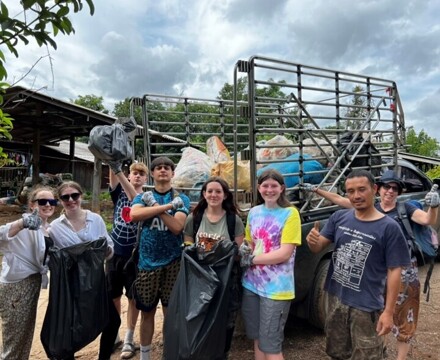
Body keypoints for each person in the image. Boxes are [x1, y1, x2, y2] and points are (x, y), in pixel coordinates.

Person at [304, 170, 439, 360]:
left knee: (371, 350)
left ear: (373, 189)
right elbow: (318, 246)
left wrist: (388, 312)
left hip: (372, 299)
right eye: (351, 191)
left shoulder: (392, 224)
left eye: (361, 189)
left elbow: (395, 270)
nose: (356, 195)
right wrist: (312, 241)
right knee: (338, 351)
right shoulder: (340, 217)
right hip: (337, 298)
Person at [48, 181, 118, 360]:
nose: (71, 200)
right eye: (65, 197)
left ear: (81, 196)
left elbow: (109, 246)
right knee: (70, 326)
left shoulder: (95, 219)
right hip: (71, 285)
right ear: (60, 200)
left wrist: (106, 251)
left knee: (112, 321)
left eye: (74, 196)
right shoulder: (54, 227)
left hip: (95, 281)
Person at [130, 156, 190, 360]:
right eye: (158, 168)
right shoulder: (142, 197)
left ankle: (169, 353)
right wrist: (166, 207)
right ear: (153, 173)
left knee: (169, 312)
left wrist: (153, 207)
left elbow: (177, 227)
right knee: (146, 312)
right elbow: (135, 215)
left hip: (173, 261)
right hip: (147, 263)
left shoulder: (182, 198)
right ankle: (145, 356)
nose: (163, 170)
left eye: (167, 168)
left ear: (173, 173)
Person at [179, 176, 244, 359]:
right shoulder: (195, 218)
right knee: (201, 315)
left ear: (225, 196)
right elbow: (188, 239)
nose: (213, 195)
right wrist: (197, 246)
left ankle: (222, 353)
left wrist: (224, 249)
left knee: (226, 319)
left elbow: (239, 250)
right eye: (210, 191)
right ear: (204, 194)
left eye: (218, 191)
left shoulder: (233, 220)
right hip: (200, 278)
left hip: (226, 279)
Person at [239, 169, 301, 360]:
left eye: (274, 186)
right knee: (257, 339)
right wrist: (244, 249)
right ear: (259, 188)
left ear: (282, 188)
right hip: (252, 284)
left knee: (272, 346)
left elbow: (284, 253)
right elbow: (251, 242)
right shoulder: (254, 212)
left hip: (276, 290)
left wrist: (251, 260)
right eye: (265, 186)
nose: (269, 190)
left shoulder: (290, 214)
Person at [0, 186, 55, 359]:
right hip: (17, 286)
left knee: (24, 337)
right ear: (32, 205)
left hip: (33, 285)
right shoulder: (24, 223)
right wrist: (21, 224)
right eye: (42, 201)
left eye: (52, 201)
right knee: (14, 342)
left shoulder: (48, 228)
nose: (47, 205)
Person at [107, 161, 148, 359]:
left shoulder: (145, 199)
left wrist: (118, 171)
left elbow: (135, 197)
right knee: (113, 295)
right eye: (134, 173)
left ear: (146, 179)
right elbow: (113, 176)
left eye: (142, 173)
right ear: (129, 175)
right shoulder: (118, 194)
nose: (138, 176)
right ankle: (115, 333)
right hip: (115, 251)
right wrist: (113, 158)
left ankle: (130, 337)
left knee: (133, 296)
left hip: (134, 253)